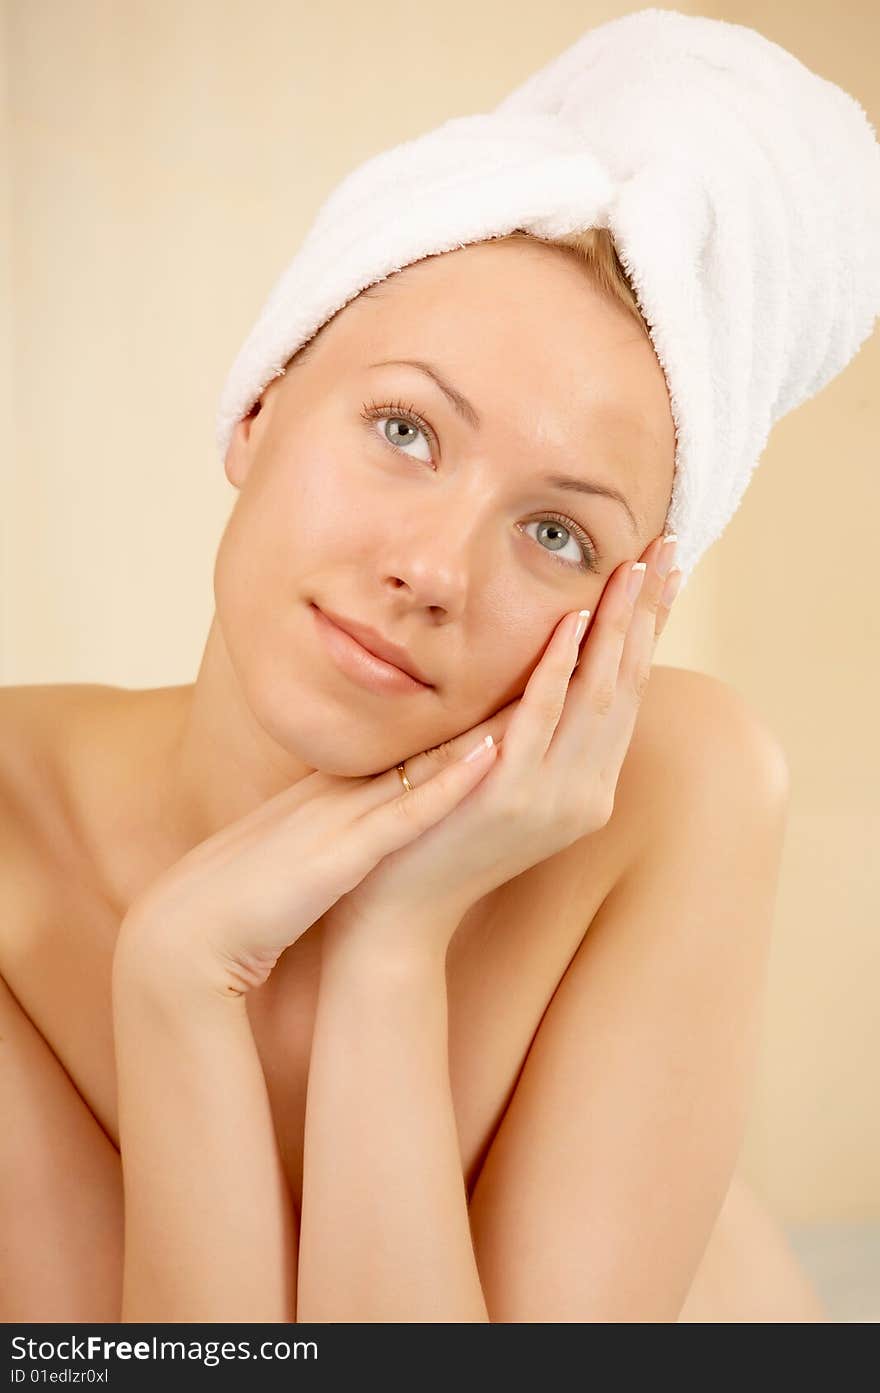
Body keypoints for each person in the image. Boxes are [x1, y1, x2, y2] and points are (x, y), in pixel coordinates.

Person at [0, 231, 827, 1321]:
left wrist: (391, 948)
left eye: (555, 533)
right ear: (259, 407)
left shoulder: (674, 784)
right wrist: (175, 983)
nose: (433, 571)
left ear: (624, 620)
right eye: (404, 430)